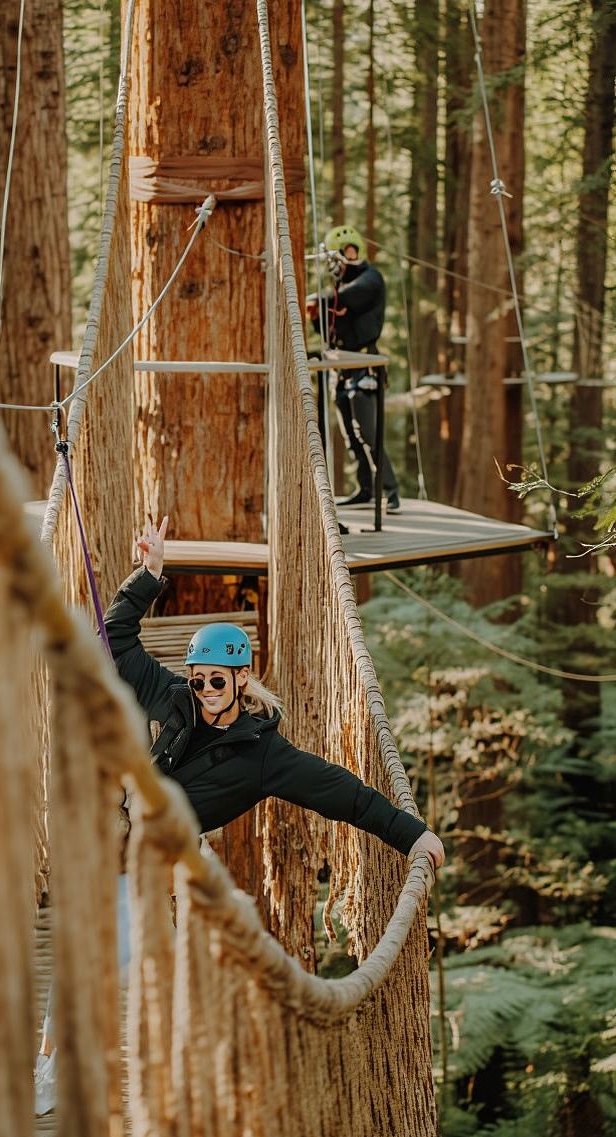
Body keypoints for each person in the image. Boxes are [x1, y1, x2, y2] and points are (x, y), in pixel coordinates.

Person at [105, 515, 445, 871]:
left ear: (241, 678)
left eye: (217, 680)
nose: (206, 690)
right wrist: (149, 574)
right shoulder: (170, 693)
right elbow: (114, 638)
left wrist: (412, 835)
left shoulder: (262, 754)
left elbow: (342, 793)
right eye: (198, 680)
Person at [308, 225, 401, 512]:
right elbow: (328, 326)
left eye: (338, 259)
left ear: (350, 253)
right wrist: (319, 310)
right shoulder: (340, 289)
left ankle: (391, 489)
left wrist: (319, 301)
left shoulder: (371, 280)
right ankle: (365, 488)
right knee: (350, 435)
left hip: (364, 368)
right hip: (343, 368)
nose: (335, 267)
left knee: (368, 433)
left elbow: (349, 298)